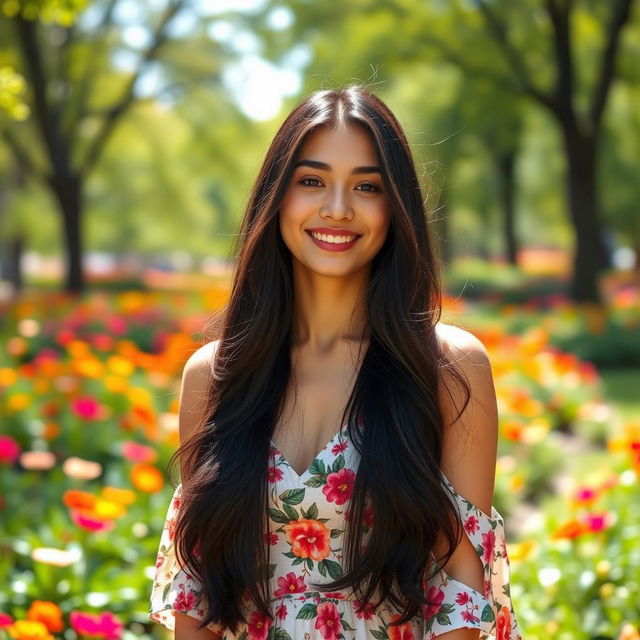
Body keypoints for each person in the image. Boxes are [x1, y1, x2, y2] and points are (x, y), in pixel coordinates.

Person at [148, 86, 521, 640]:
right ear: (277, 196)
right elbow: (198, 588)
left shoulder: (446, 367)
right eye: (312, 181)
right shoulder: (215, 376)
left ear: (396, 207)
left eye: (367, 186)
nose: (338, 208)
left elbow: (463, 583)